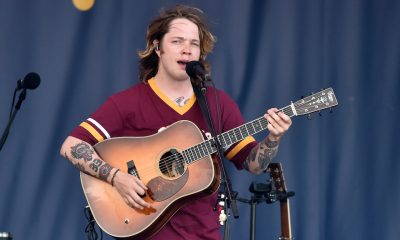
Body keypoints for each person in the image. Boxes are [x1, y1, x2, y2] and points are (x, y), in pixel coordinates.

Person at [60, 5, 292, 240]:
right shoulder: (128, 102)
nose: (187, 50)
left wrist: (273, 138)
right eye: (177, 41)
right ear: (157, 47)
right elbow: (71, 145)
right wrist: (116, 177)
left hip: (205, 234)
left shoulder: (217, 103)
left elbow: (253, 164)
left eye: (194, 44)